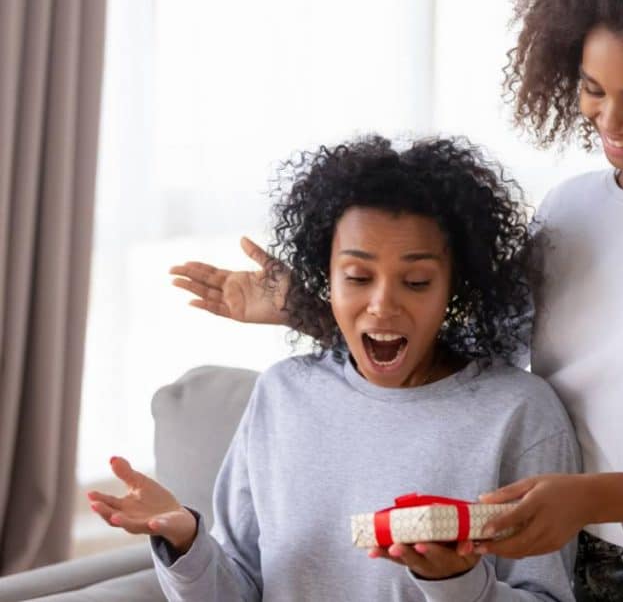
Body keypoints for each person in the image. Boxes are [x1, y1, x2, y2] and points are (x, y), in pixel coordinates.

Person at [171, 0, 623, 598]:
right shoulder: (570, 210)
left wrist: (589, 496)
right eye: (593, 89)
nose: (610, 121)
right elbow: (479, 340)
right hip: (563, 550)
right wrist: (310, 303)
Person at [89, 136, 580, 601]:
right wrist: (183, 536)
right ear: (326, 278)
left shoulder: (518, 412)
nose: (383, 305)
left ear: (456, 286)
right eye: (358, 277)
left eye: (416, 280)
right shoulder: (284, 394)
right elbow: (235, 588)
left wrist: (457, 580)